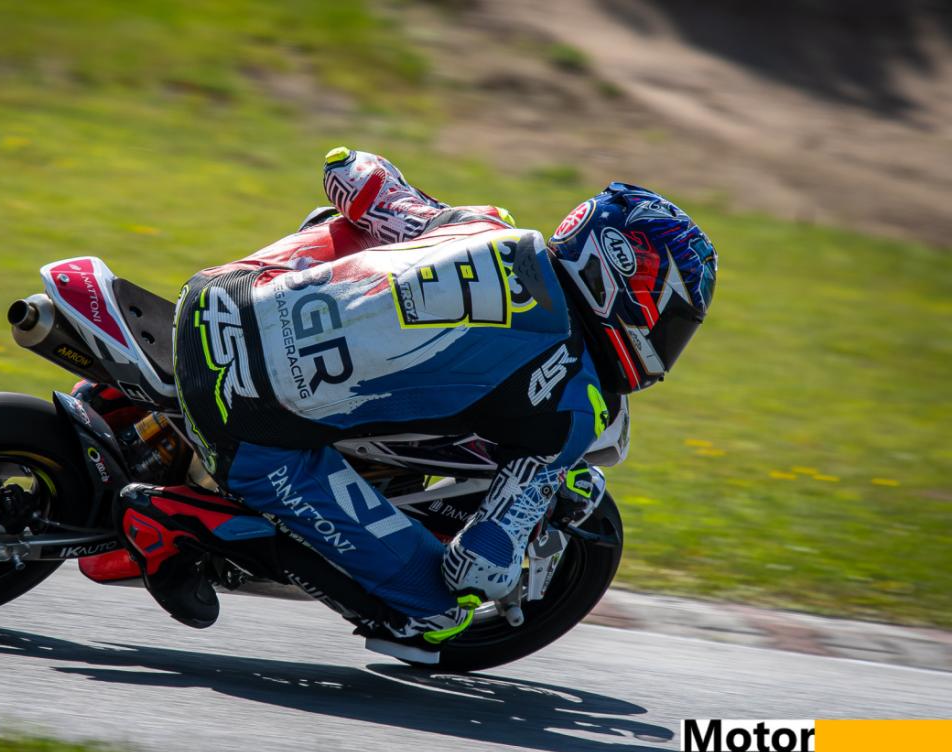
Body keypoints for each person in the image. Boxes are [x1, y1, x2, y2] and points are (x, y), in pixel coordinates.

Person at [114, 147, 718, 661]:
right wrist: (500, 564)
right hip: (246, 420)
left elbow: (353, 174)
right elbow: (477, 563)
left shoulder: (484, 224)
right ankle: (180, 523)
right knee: (434, 612)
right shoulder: (576, 401)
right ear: (627, 278)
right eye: (672, 321)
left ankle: (134, 412)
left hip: (217, 298)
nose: (667, 341)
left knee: (345, 227)